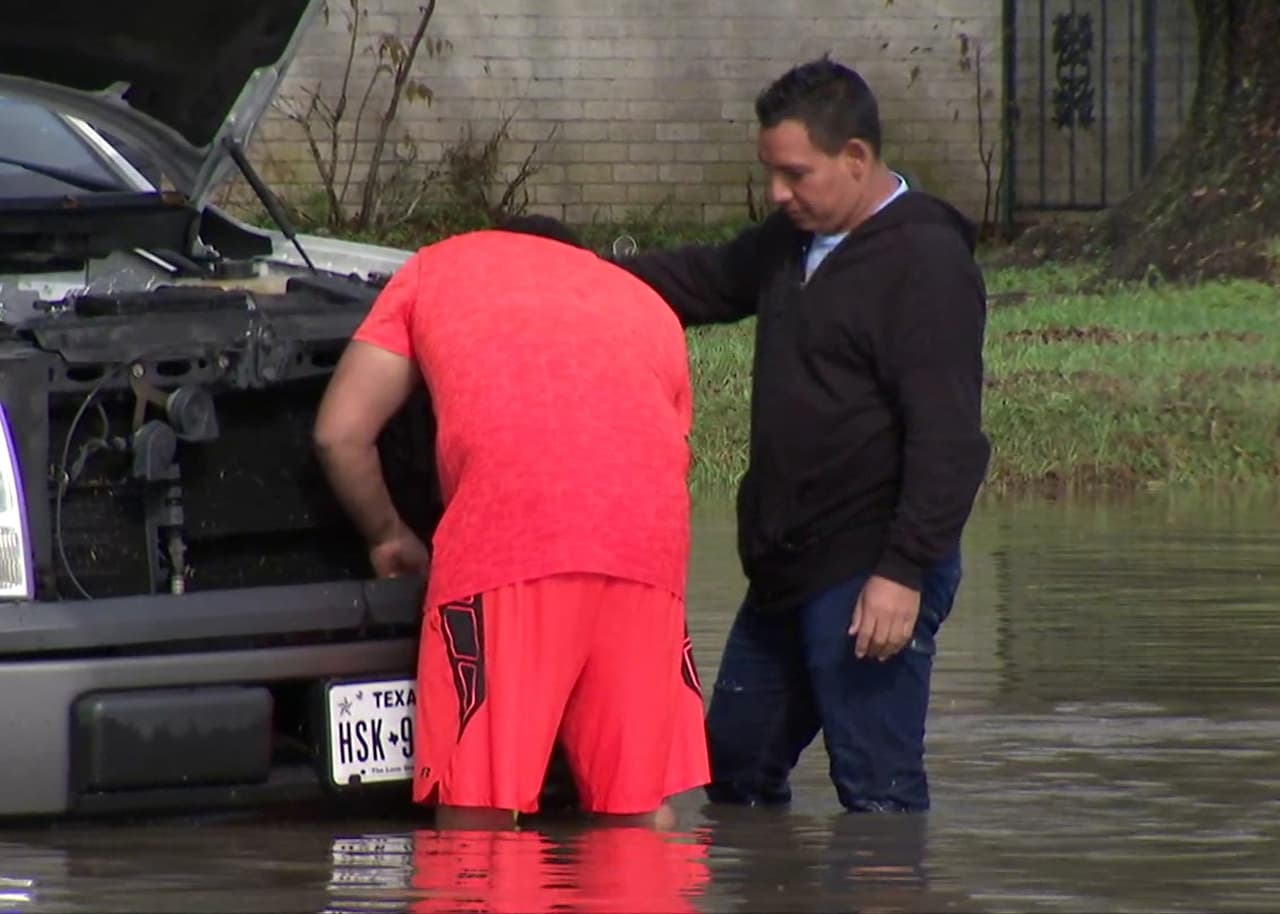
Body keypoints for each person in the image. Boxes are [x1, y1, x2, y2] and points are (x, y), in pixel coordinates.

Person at [617, 57, 991, 813]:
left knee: (877, 796)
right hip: (787, 565)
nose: (778, 195)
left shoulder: (927, 263)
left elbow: (948, 440)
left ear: (856, 157)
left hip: (871, 568)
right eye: (771, 175)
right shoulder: (789, 244)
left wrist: (904, 573)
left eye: (796, 174)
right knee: (732, 776)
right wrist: (566, 274)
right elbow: (702, 278)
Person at [313, 215, 709, 828]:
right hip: (649, 554)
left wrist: (388, 534)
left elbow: (340, 435)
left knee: (481, 818)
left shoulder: (436, 268)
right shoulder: (646, 302)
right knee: (636, 814)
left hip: (510, 546)